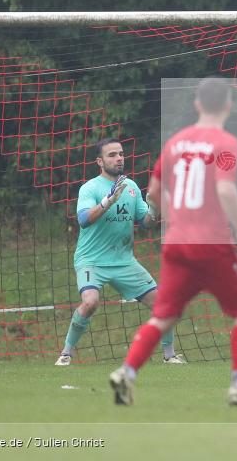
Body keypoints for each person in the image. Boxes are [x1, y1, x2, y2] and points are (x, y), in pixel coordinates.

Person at [109, 77, 237, 408]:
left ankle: (127, 372)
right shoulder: (225, 141)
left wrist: (177, 217)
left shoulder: (175, 143)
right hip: (212, 244)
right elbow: (225, 189)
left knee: (164, 316)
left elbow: (153, 192)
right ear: (228, 105)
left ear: (197, 104)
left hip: (177, 244)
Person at [55, 138, 184, 366]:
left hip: (124, 261)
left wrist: (155, 210)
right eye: (112, 155)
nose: (119, 158)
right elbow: (84, 220)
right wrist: (107, 201)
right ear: (100, 161)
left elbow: (145, 223)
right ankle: (66, 353)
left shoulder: (132, 187)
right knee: (90, 302)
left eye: (121, 154)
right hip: (91, 260)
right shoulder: (90, 188)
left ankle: (169, 355)